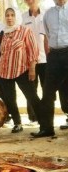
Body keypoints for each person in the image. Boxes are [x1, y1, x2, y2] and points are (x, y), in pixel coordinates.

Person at [0, 7, 40, 134]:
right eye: (7, 15)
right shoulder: (1, 34)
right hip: (3, 72)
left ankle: (44, 122)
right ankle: (17, 123)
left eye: (12, 15)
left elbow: (33, 51)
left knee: (32, 97)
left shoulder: (25, 31)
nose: (9, 18)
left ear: (17, 17)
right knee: (10, 99)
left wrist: (32, 68)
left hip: (22, 70)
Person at [31, 0, 68, 138]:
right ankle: (47, 128)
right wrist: (50, 54)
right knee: (47, 92)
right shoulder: (48, 14)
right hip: (54, 55)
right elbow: (47, 35)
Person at [22, 0, 46, 125]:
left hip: (46, 58)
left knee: (47, 89)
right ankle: (33, 117)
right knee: (31, 89)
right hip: (30, 61)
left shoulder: (47, 14)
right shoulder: (22, 18)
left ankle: (47, 115)